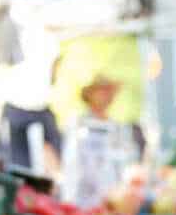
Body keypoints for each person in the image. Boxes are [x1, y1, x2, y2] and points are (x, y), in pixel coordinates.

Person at [61, 74, 145, 207]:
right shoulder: (78, 124)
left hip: (114, 200)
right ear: (90, 93)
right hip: (83, 200)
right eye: (103, 90)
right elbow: (73, 166)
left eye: (110, 90)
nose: (108, 95)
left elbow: (128, 161)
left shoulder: (118, 126)